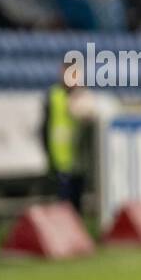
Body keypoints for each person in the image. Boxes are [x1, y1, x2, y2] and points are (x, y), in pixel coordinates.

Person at [41, 58, 95, 213]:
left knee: (77, 203)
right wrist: (48, 154)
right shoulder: (53, 95)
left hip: (79, 159)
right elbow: (45, 126)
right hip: (60, 159)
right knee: (63, 203)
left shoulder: (84, 97)